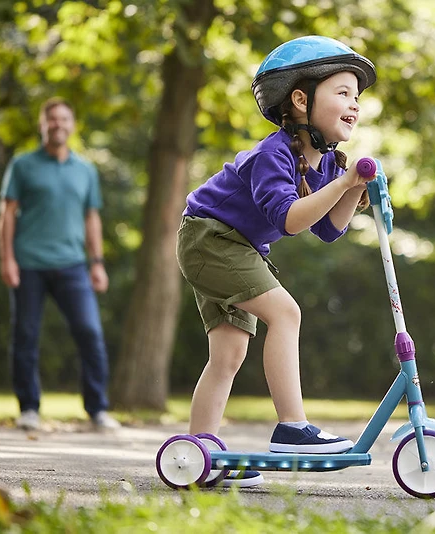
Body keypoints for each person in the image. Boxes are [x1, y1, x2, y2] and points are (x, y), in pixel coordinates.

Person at [176, 36, 377, 487]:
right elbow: (289, 220)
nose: (354, 104)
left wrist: (353, 188)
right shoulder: (274, 154)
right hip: (210, 237)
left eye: (357, 96)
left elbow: (326, 228)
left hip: (236, 246)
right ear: (300, 100)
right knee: (286, 313)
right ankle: (292, 426)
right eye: (342, 92)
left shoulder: (323, 164)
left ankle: (199, 452)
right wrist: (343, 182)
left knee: (228, 353)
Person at [0, 97, 120, 432]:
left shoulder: (85, 170)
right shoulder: (22, 165)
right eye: (52, 119)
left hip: (73, 265)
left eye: (64, 119)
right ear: (43, 124)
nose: (58, 125)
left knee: (91, 333)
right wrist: (7, 258)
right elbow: (6, 215)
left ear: (72, 125)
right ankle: (29, 409)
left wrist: (97, 263)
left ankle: (97, 410)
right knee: (26, 336)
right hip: (29, 263)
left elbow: (91, 218)